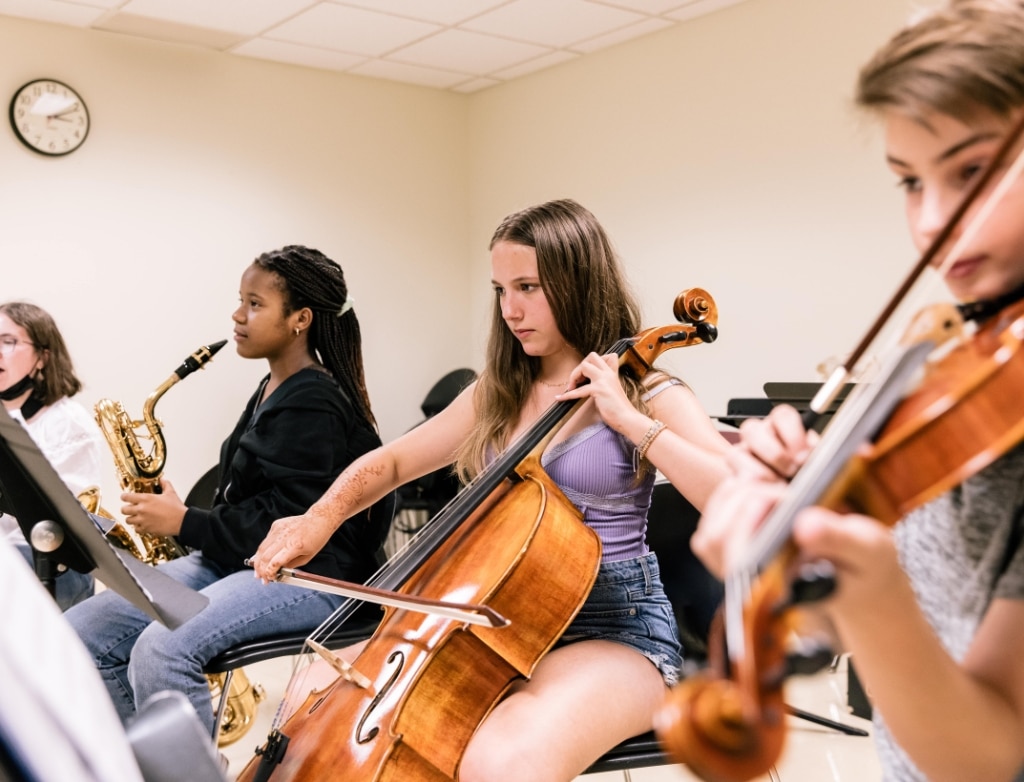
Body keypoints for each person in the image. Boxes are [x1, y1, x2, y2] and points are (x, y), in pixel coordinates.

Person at [250, 199, 732, 781]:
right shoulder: (501, 391)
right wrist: (318, 519)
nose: (511, 309)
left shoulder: (649, 391)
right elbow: (398, 460)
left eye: (528, 286)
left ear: (577, 281)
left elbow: (733, 496)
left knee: (497, 761)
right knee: (330, 697)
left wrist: (630, 422)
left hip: (616, 630)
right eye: (501, 289)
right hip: (490, 621)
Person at [690, 2, 1024, 780]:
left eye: (973, 171)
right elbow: (898, 631)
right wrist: (814, 522)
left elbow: (993, 754)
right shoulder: (972, 360)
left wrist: (868, 592)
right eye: (910, 182)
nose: (933, 224)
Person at [65, 245, 393, 738]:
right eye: (240, 300)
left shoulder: (313, 400)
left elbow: (292, 526)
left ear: (299, 319)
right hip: (241, 562)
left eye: (255, 304)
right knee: (85, 630)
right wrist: (184, 514)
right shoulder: (273, 385)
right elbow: (253, 498)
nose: (238, 315)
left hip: (311, 576)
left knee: (162, 649)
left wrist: (184, 523)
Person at [0, 301, 105, 610]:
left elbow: (50, 524)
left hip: (52, 564)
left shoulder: (67, 423)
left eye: (8, 342)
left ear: (43, 358)